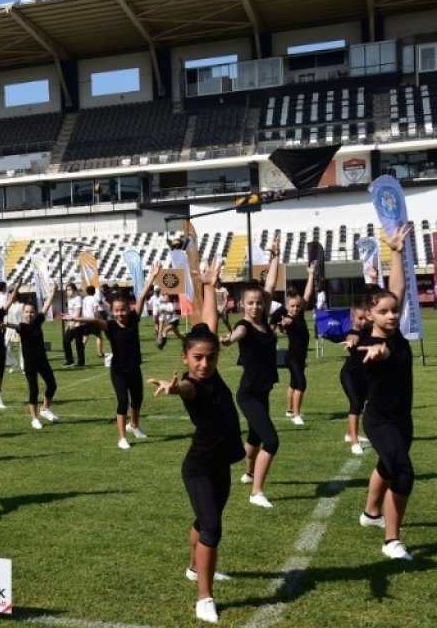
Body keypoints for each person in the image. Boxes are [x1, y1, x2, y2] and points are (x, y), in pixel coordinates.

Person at [147, 257, 244, 625]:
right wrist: (173, 388)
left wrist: (208, 285)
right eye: (198, 358)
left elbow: (209, 323)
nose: (204, 364)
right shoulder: (192, 384)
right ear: (185, 358)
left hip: (220, 464)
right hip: (199, 467)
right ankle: (204, 597)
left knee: (206, 522)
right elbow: (185, 389)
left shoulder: (212, 372)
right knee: (213, 528)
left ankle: (194, 567)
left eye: (210, 358)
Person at [357, 226, 416, 561]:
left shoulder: (396, 337)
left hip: (403, 419)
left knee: (387, 463)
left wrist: (395, 251)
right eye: (383, 312)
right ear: (370, 315)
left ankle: (371, 513)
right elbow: (381, 353)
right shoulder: (373, 345)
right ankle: (391, 540)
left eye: (394, 311)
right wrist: (379, 353)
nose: (392, 315)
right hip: (380, 421)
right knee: (403, 473)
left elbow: (398, 289)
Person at [220, 238, 282, 508]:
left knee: (255, 436)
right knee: (271, 440)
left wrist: (275, 257)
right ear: (242, 304)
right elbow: (237, 335)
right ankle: (257, 492)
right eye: (250, 303)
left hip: (263, 390)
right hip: (248, 394)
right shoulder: (244, 326)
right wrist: (228, 340)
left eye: (258, 303)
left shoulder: (264, 320)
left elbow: (270, 285)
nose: (255, 307)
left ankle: (248, 473)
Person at [65, 266, 158, 449]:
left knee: (137, 399)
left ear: (128, 309)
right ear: (112, 311)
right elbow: (94, 320)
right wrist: (75, 319)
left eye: (122, 310)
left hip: (134, 368)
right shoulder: (110, 326)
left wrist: (152, 277)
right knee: (123, 401)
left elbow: (141, 297)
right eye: (116, 311)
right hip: (118, 371)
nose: (119, 314)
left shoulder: (134, 319)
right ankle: (122, 437)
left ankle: (134, 425)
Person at [5, 277, 59, 429]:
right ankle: (34, 418)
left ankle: (45, 409)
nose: (29, 314)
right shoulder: (22, 326)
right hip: (30, 363)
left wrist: (53, 291)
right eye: (27, 312)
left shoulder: (38, 321)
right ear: (23, 313)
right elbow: (14, 326)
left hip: (42, 360)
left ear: (35, 313)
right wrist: (5, 324)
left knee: (52, 385)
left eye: (31, 312)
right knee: (34, 390)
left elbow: (46, 305)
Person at [269, 266, 316, 426]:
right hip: (293, 357)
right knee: (301, 383)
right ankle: (296, 414)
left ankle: (289, 410)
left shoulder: (300, 313)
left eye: (297, 306)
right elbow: (283, 323)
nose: (295, 308)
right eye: (292, 306)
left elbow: (307, 293)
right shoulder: (287, 318)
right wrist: (282, 325)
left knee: (294, 383)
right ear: (286, 306)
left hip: (300, 356)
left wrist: (311, 275)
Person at [340, 301, 370, 456]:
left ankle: (349, 433)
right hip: (350, 374)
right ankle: (354, 442)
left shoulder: (370, 330)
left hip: (365, 374)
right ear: (352, 317)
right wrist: (351, 341)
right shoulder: (352, 332)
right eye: (360, 318)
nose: (363, 321)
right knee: (356, 403)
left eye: (366, 318)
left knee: (362, 404)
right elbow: (353, 337)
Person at [62, 284, 86, 367]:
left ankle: (81, 362)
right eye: (67, 290)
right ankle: (69, 360)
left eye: (70, 289)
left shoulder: (78, 298)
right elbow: (70, 313)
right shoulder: (69, 300)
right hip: (71, 323)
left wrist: (74, 321)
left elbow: (78, 311)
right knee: (66, 341)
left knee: (78, 343)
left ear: (74, 290)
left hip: (79, 324)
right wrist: (68, 323)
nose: (68, 292)